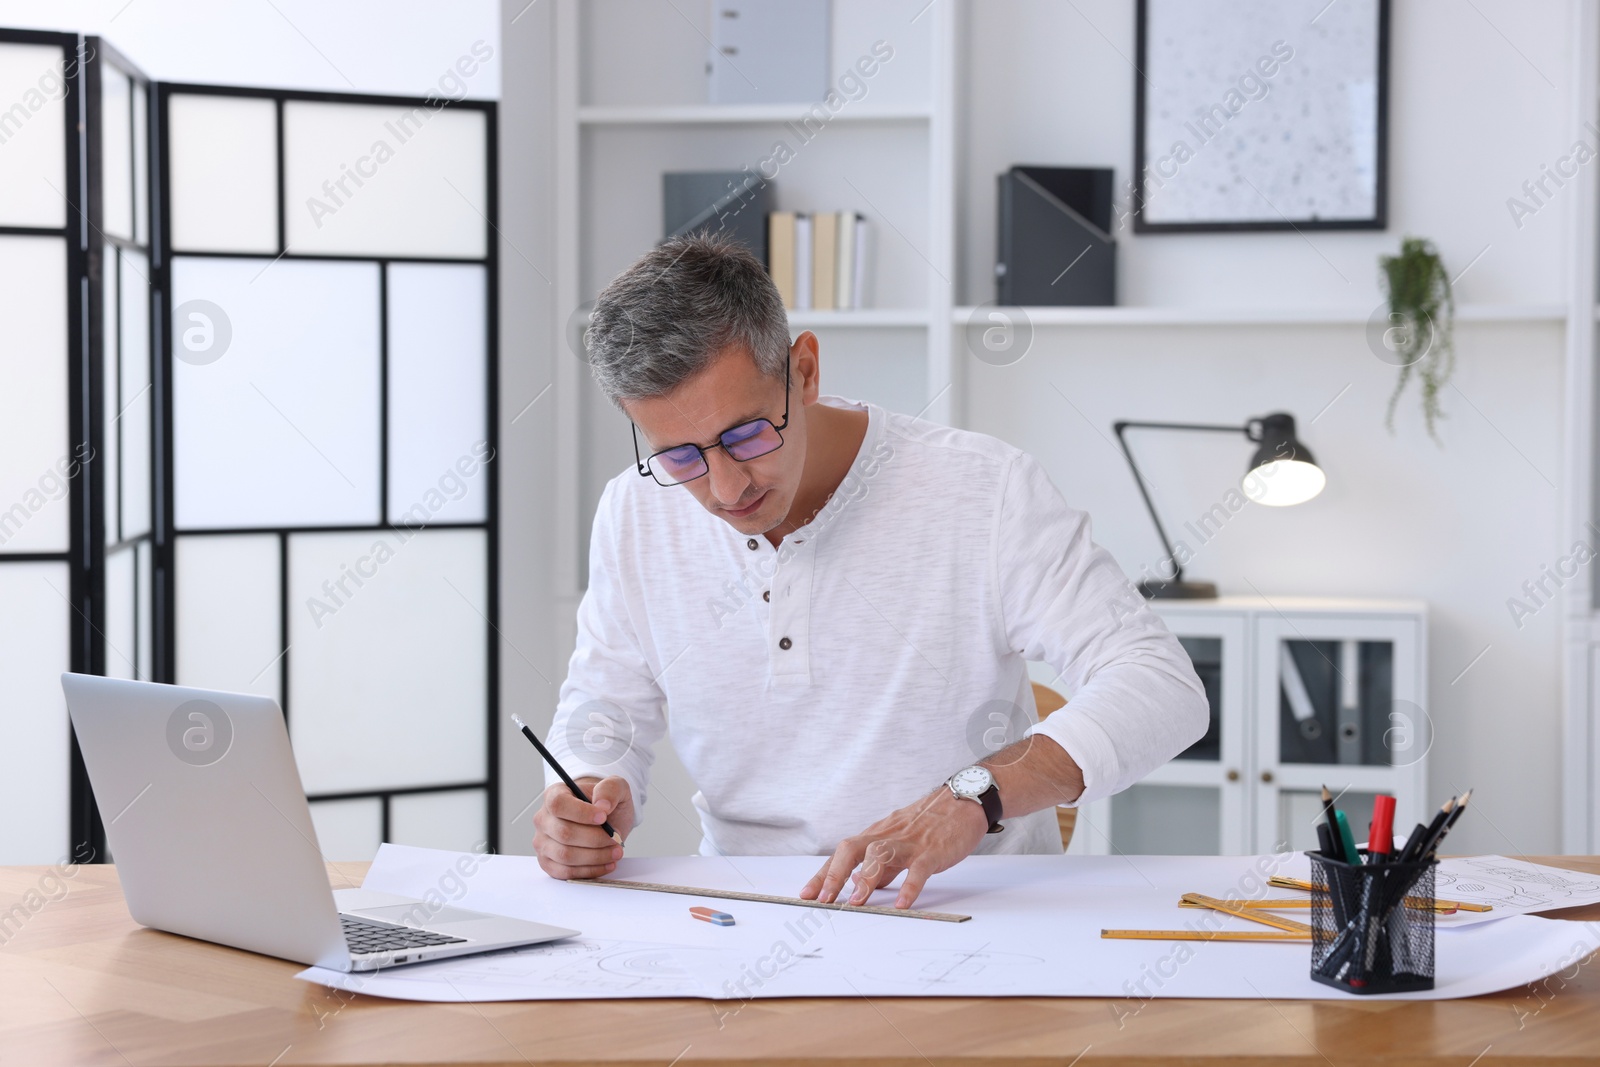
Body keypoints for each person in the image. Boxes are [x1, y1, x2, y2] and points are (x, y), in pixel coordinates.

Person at [533, 234, 1207, 909]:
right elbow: (606, 702)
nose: (725, 486)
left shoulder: (983, 489)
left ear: (804, 371)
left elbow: (1160, 684)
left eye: (746, 435)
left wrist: (973, 795)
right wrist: (588, 783)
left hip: (972, 908)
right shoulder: (633, 511)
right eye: (680, 457)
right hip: (750, 909)